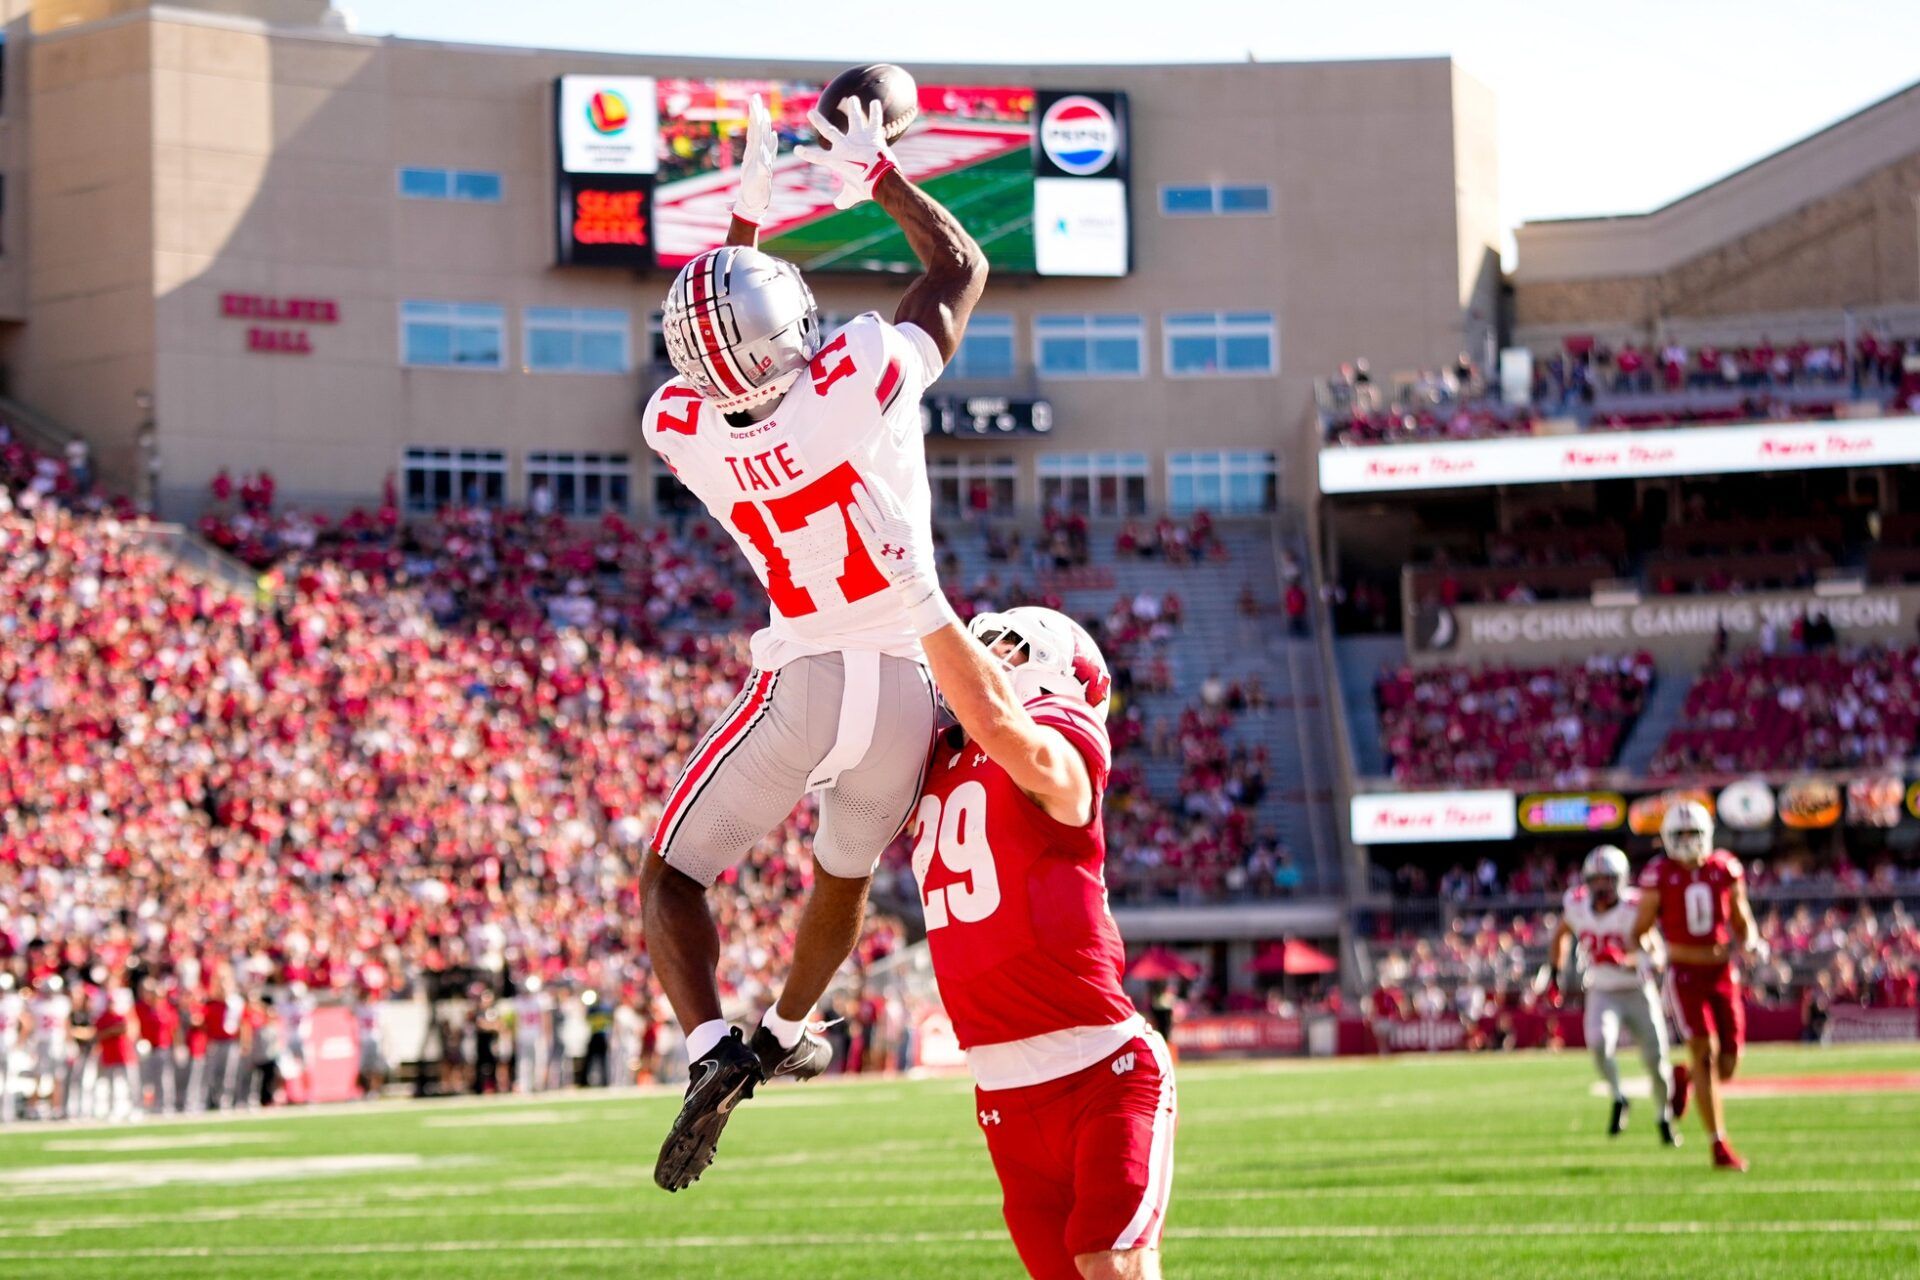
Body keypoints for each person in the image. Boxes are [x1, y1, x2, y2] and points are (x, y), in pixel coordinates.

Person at [641, 92, 987, 1192]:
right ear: (794, 322)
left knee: (673, 873)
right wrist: (878, 173)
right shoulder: (863, 372)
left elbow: (716, 362)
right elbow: (961, 270)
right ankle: (790, 1025)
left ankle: (710, 1050)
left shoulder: (682, 429)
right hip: (903, 682)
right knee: (844, 869)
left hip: (802, 673)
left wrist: (741, 222)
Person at [847, 478, 1176, 1280]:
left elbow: (1008, 731)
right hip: (1001, 1091)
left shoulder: (1061, 754)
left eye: (1010, 647)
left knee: (1111, 1266)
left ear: (1058, 673)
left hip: (1103, 1072)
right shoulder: (941, 757)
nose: (987, 657)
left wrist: (918, 588)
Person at [1632, 800, 1765, 1171]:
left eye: (1694, 834)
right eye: (1681, 835)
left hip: (1723, 972)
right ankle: (1718, 1145)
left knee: (1727, 1064)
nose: (1689, 842)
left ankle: (1683, 1076)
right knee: (1705, 1052)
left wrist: (1751, 940)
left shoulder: (1724, 868)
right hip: (1685, 973)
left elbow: (1742, 918)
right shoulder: (1659, 874)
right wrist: (1651, 952)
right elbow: (1640, 929)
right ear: (1667, 838)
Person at [1547, 845, 1678, 1146]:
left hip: (1637, 989)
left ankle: (1663, 1116)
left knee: (1657, 1062)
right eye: (1595, 880)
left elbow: (1658, 955)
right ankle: (1619, 1097)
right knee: (1598, 1045)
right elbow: (1561, 933)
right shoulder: (1577, 905)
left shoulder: (1634, 907)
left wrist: (1625, 960)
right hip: (1602, 989)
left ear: (1620, 879)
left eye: (1607, 879)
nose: (1600, 886)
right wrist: (1555, 972)